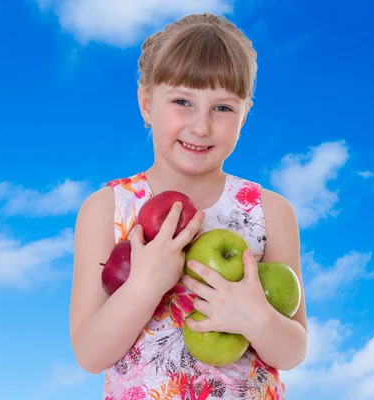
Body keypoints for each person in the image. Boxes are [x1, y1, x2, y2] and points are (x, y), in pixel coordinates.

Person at [70, 12, 308, 400]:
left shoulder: (270, 211)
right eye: (183, 101)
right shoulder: (107, 208)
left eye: (223, 108)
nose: (201, 126)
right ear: (147, 104)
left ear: (245, 114)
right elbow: (89, 353)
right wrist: (145, 285)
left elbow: (294, 349)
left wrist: (258, 319)